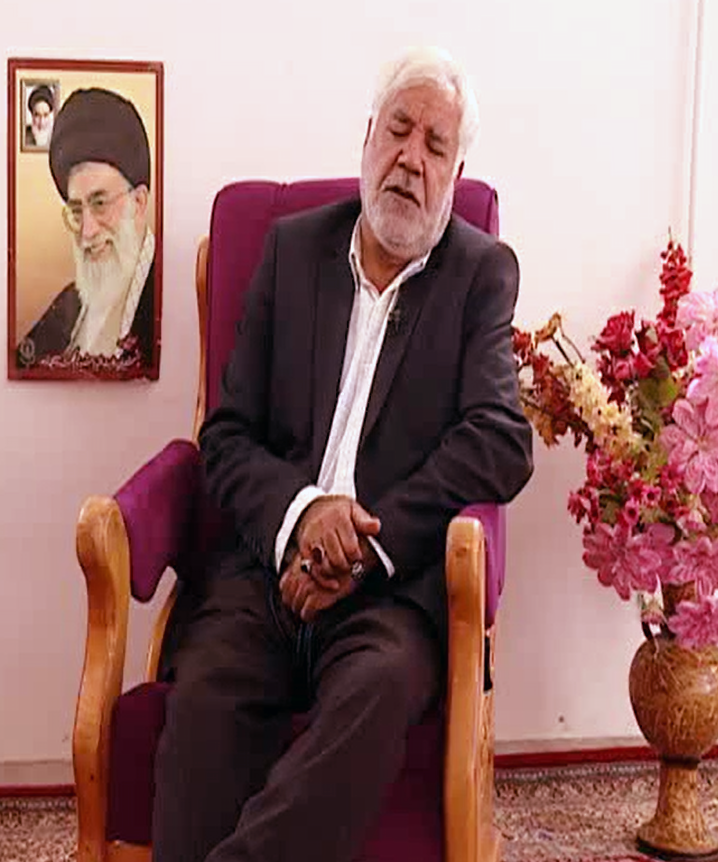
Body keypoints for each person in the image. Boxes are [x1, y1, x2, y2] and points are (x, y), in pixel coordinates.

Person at [151, 46, 534, 862]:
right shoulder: (290, 252)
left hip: (390, 591)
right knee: (206, 690)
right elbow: (226, 435)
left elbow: (500, 440)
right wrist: (304, 516)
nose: (411, 158)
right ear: (367, 138)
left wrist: (362, 542)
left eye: (435, 145)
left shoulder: (478, 274)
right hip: (268, 571)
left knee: (376, 690)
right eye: (399, 130)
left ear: (454, 172)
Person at [14, 87, 157, 373]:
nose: (87, 232)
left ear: (139, 202)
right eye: (77, 210)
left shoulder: (168, 299)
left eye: (100, 203)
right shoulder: (69, 303)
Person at [25, 84, 56, 149]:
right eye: (37, 115)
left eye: (45, 115)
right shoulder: (24, 137)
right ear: (32, 115)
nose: (42, 123)